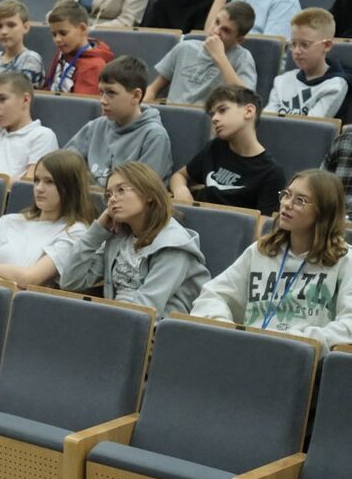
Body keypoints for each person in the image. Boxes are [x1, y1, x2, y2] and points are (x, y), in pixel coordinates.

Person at [191, 169, 352, 351]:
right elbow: (212, 295)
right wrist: (227, 330)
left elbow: (349, 325)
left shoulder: (345, 261)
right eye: (286, 195)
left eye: (300, 200)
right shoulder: (262, 250)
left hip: (302, 361)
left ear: (324, 211)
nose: (287, 204)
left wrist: (304, 341)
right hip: (247, 351)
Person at [62, 162, 211, 315]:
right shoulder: (119, 238)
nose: (112, 199)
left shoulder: (174, 245)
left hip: (156, 330)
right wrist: (97, 231)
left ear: (148, 194)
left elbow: (146, 311)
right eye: (108, 194)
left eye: (121, 190)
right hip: (120, 320)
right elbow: (70, 282)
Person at [0, 149, 96, 287]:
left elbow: (29, 279)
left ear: (70, 187)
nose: (39, 188)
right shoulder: (9, 221)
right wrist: (12, 287)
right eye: (37, 180)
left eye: (49, 182)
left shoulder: (75, 231)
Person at [171, 85, 285, 213]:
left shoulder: (271, 173)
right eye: (212, 114)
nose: (214, 118)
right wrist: (180, 189)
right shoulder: (215, 147)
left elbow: (263, 227)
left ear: (248, 111)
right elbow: (179, 175)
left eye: (222, 110)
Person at [66, 56, 174, 185]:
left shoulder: (154, 136)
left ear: (136, 96)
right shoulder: (97, 126)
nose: (103, 100)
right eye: (101, 92)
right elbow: (63, 165)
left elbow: (141, 191)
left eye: (111, 93)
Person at [146, 2, 257, 104]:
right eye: (216, 22)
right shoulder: (185, 48)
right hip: (173, 114)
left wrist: (220, 57)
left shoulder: (243, 58)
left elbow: (245, 100)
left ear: (239, 40)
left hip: (211, 121)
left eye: (226, 30)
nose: (216, 31)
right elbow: (153, 89)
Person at [267, 8, 352, 120]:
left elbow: (309, 129)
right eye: (293, 44)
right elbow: (267, 121)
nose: (296, 51)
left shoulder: (335, 85)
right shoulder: (281, 81)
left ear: (326, 46)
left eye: (305, 45)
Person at [44, 0, 116, 94]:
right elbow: (47, 87)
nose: (57, 39)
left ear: (82, 29)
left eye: (63, 33)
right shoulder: (61, 54)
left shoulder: (95, 66)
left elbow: (81, 106)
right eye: (54, 34)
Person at [0, 0, 47, 86]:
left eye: (11, 25)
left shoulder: (30, 59)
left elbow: (17, 94)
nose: (4, 32)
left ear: (26, 27)